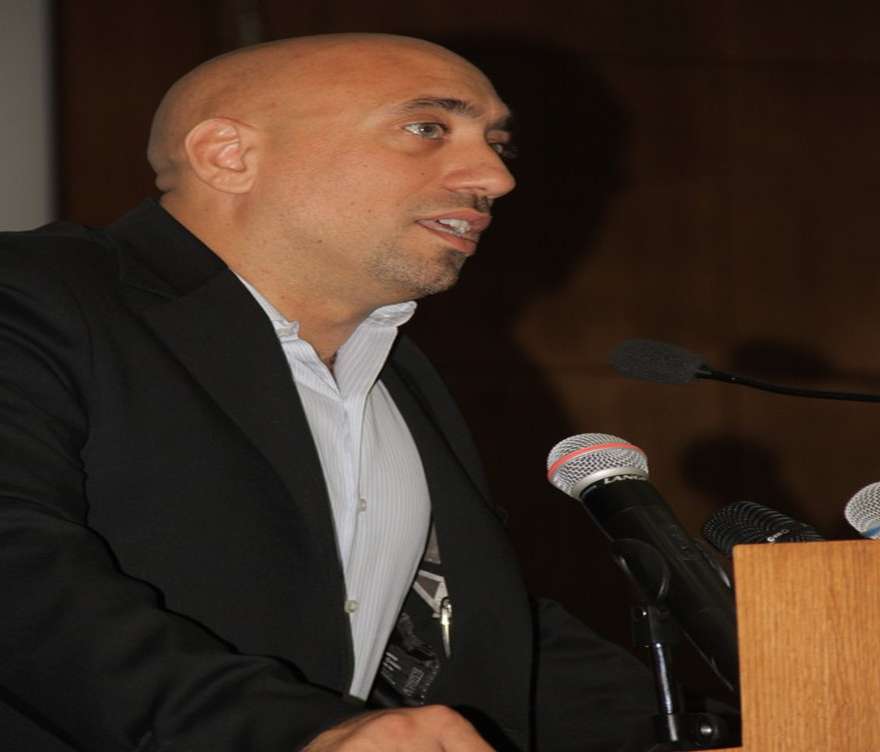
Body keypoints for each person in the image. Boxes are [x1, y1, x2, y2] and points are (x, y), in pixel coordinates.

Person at [0, 33, 656, 751]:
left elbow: (468, 627)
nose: (495, 178)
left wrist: (695, 729)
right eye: (427, 128)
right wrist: (294, 732)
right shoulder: (34, 295)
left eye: (498, 143)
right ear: (227, 154)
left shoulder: (399, 373)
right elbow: (19, 568)